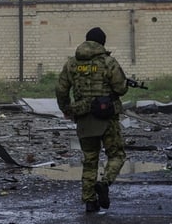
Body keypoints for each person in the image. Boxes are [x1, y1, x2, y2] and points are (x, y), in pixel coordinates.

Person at [55, 27, 128, 213]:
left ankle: (89, 201)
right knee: (117, 155)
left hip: (83, 117)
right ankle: (104, 183)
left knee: (89, 159)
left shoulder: (72, 64)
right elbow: (120, 88)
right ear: (102, 43)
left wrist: (66, 109)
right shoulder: (108, 62)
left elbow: (61, 89)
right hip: (107, 117)